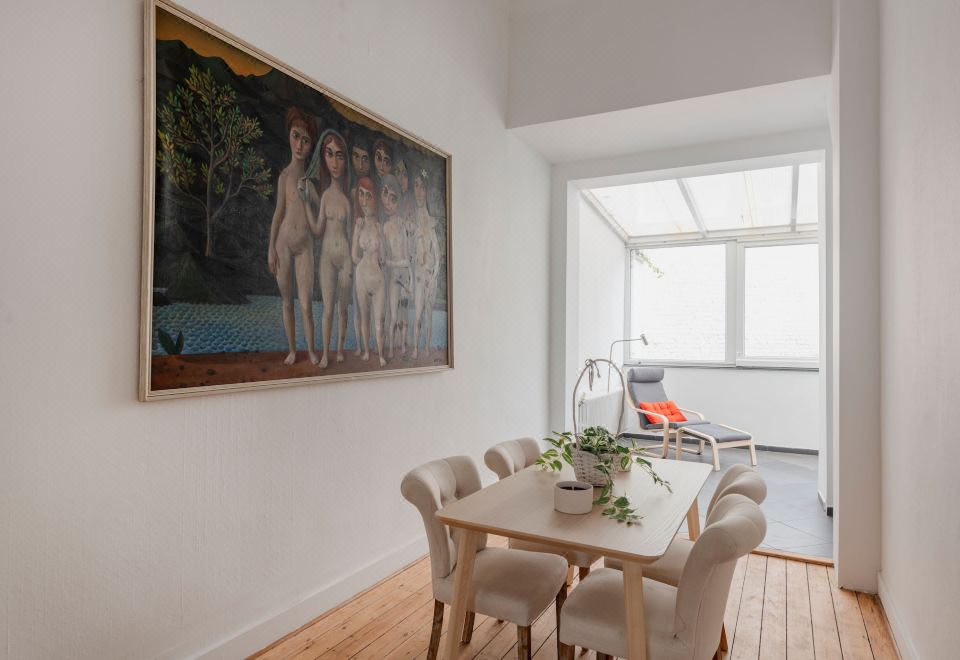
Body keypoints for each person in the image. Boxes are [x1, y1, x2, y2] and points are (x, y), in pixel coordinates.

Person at [267, 108, 319, 366]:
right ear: (289, 136)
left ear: (311, 146)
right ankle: (292, 350)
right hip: (283, 245)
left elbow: (320, 210)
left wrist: (309, 195)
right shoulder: (284, 177)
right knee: (287, 301)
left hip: (305, 246)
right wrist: (270, 248)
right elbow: (278, 213)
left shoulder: (310, 181)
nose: (299, 145)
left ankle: (310, 351)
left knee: (306, 304)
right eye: (296, 136)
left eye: (305, 140)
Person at [302, 128, 352, 368]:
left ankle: (340, 350)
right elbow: (317, 230)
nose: (334, 162)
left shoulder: (347, 201)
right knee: (328, 309)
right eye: (329, 154)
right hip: (327, 258)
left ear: (345, 161)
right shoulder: (324, 198)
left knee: (343, 309)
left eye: (339, 155)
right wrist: (305, 204)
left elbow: (352, 235)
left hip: (345, 259)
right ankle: (324, 354)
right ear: (324, 158)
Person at [351, 176, 387, 366]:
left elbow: (384, 258)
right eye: (361, 195)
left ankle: (381, 355)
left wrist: (380, 260)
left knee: (379, 321)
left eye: (369, 196)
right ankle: (366, 351)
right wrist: (363, 266)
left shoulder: (379, 227)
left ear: (375, 199)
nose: (364, 201)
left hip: (378, 280)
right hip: (362, 278)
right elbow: (353, 255)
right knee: (365, 318)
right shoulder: (359, 226)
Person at [410, 168, 441, 359]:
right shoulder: (412, 220)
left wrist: (434, 275)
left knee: (428, 313)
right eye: (416, 186)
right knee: (418, 313)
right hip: (419, 275)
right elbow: (410, 252)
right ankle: (415, 347)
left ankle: (427, 347)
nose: (419, 191)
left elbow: (437, 254)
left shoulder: (431, 223)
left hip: (430, 276)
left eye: (422, 187)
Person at [380, 174, 410, 358]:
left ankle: (403, 348)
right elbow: (385, 258)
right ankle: (390, 349)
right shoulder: (384, 227)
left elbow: (406, 260)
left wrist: (393, 264)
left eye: (393, 199)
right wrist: (389, 263)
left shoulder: (403, 226)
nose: (389, 204)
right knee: (392, 315)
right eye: (387, 198)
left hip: (403, 277)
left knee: (403, 314)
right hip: (392, 278)